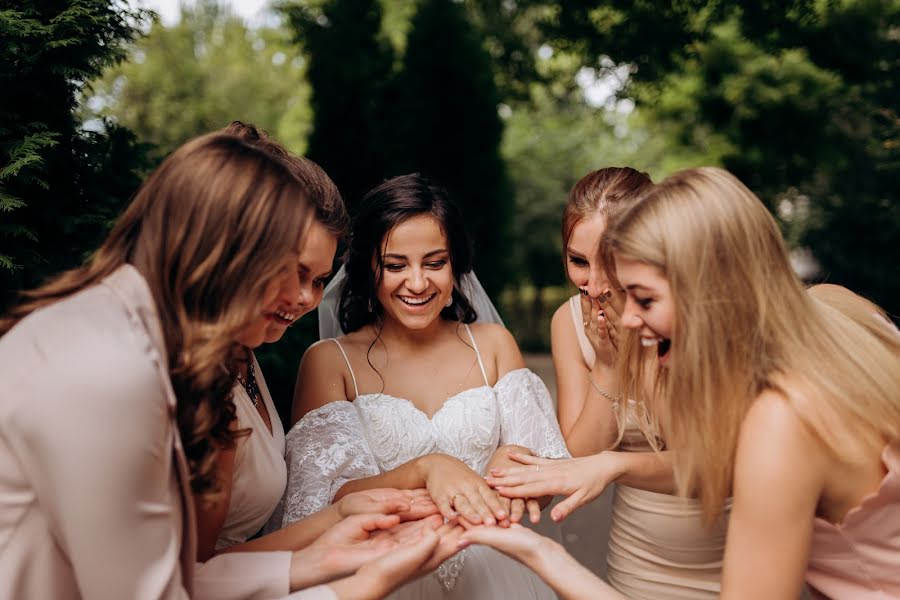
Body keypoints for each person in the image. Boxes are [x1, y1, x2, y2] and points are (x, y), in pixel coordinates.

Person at [0, 132, 460, 599]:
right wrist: (354, 591)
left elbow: (171, 573)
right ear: (221, 248)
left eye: (316, 278)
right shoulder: (107, 369)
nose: (302, 296)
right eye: (285, 266)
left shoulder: (136, 337)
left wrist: (319, 558)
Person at [599, 167, 900, 598]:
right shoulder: (844, 311)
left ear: (710, 292)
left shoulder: (783, 420)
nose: (628, 318)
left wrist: (542, 557)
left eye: (644, 299)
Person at [278, 173, 570, 599]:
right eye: (396, 265)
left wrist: (513, 470)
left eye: (435, 263)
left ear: (457, 267)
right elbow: (321, 504)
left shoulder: (493, 345)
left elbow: (542, 480)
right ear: (369, 270)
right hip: (384, 578)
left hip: (494, 575)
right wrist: (425, 468)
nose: (418, 283)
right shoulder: (329, 361)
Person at [193, 122, 440, 562]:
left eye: (320, 279)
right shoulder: (200, 380)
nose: (307, 298)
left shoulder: (242, 355)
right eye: (296, 273)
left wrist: (344, 511)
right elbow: (193, 572)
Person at [543, 166, 728, 598]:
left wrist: (639, 351)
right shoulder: (569, 323)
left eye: (609, 260)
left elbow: (704, 460)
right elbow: (579, 458)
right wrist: (607, 367)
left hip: (734, 547)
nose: (594, 284)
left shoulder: (699, 310)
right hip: (638, 559)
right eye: (578, 262)